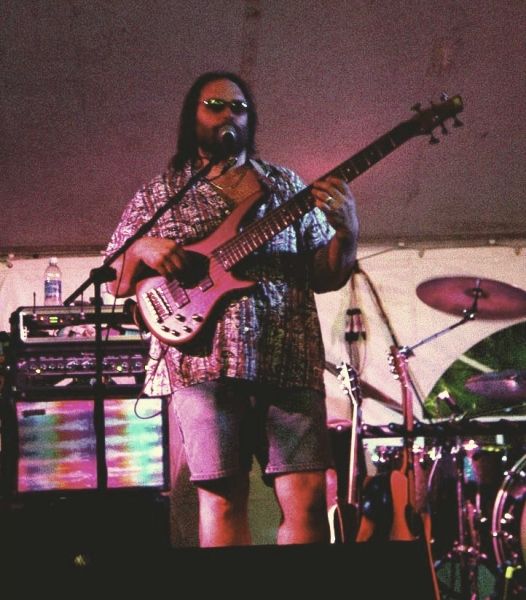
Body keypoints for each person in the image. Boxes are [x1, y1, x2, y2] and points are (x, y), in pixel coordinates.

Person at [105, 70, 359, 548]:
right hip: (203, 365)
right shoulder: (160, 194)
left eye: (238, 107)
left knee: (307, 500)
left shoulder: (285, 185)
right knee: (221, 500)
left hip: (289, 361)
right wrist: (140, 249)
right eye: (215, 105)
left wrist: (347, 233)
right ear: (192, 117)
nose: (228, 114)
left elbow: (327, 276)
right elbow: (115, 281)